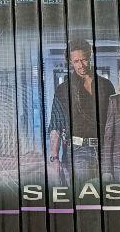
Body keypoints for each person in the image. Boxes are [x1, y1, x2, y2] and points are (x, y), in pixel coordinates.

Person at [48, 40, 115, 183]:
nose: (81, 65)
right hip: (78, 150)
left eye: (84, 60)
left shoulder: (106, 85)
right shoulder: (63, 89)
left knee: (107, 191)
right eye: (76, 61)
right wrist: (54, 158)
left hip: (106, 148)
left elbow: (114, 119)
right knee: (84, 193)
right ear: (71, 62)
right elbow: (56, 125)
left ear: (90, 56)